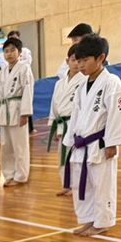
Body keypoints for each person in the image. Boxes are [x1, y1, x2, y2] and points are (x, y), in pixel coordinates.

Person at [63, 34, 121, 236]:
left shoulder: (112, 82)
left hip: (100, 142)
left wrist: (112, 142)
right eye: (78, 60)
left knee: (102, 184)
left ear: (100, 58)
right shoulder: (82, 86)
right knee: (84, 184)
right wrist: (70, 140)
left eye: (85, 60)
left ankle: (103, 222)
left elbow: (117, 113)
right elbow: (75, 116)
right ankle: (89, 219)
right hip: (82, 144)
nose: (80, 65)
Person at [0, 36, 34, 187]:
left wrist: (25, 113)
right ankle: (8, 174)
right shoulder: (2, 71)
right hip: (4, 110)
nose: (9, 54)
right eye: (6, 51)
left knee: (20, 145)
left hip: (17, 109)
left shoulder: (24, 68)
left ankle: (21, 175)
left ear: (19, 53)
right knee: (5, 146)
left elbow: (28, 90)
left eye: (12, 50)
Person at [48, 46, 86, 196]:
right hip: (62, 124)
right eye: (73, 60)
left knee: (76, 156)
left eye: (79, 60)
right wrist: (54, 126)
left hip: (75, 123)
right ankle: (66, 184)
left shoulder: (84, 80)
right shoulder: (60, 83)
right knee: (62, 156)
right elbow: (54, 105)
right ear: (67, 61)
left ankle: (76, 184)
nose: (76, 63)